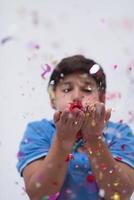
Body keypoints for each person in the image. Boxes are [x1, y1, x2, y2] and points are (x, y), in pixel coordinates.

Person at [17, 55, 134, 200]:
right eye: (66, 89)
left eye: (87, 89)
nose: (77, 96)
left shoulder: (120, 132)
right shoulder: (38, 131)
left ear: (102, 98)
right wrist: (63, 139)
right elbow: (39, 194)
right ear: (53, 99)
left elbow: (121, 195)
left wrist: (93, 138)